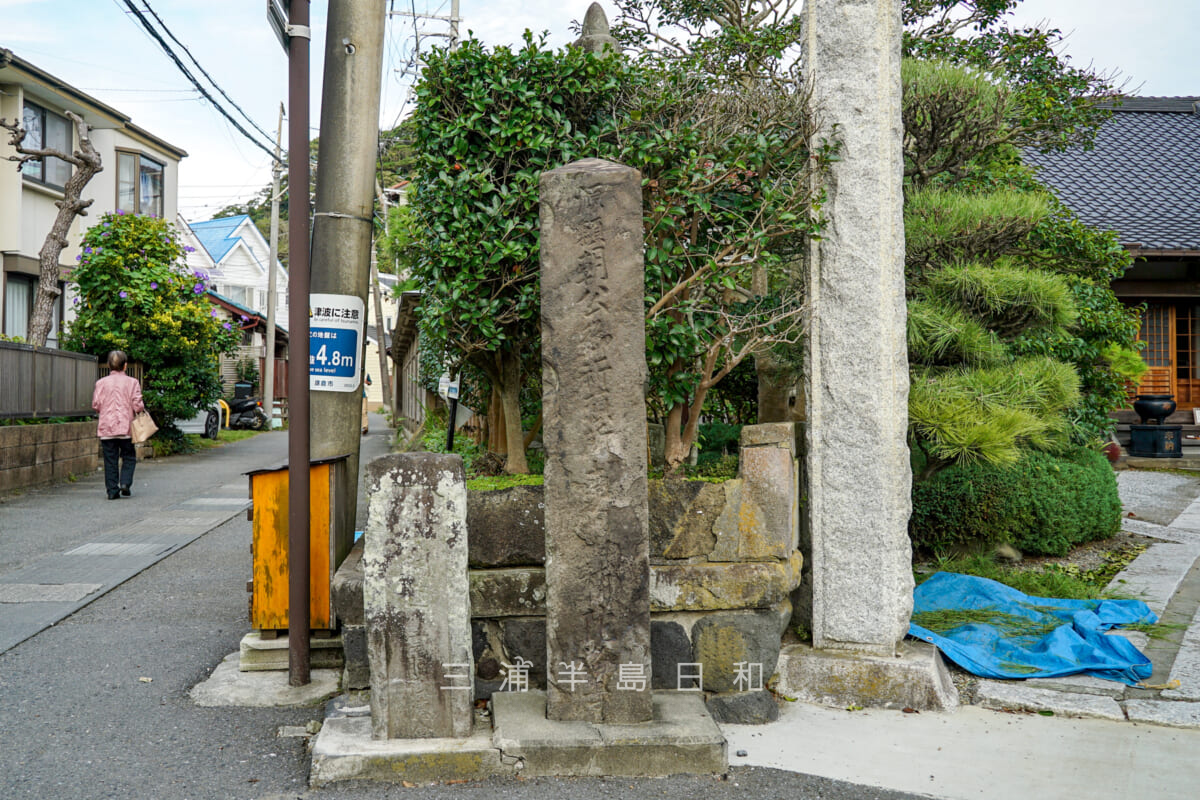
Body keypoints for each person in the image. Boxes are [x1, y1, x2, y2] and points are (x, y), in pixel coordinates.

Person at [92, 350, 144, 500]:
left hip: (106, 428)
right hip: (125, 427)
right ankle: (125, 483)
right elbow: (138, 405)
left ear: (108, 365)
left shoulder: (100, 383)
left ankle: (112, 491)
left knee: (110, 460)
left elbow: (96, 405)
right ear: (125, 366)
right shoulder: (132, 382)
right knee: (129, 456)